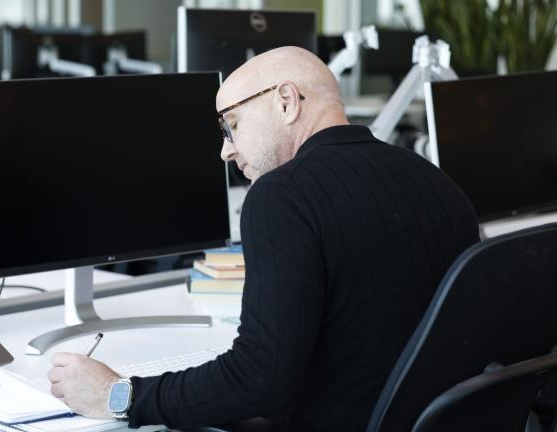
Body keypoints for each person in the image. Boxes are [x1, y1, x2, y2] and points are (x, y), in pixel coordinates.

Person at [46, 46, 480, 431]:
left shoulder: (282, 194)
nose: (226, 150)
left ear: (286, 101)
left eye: (230, 124)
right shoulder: (438, 182)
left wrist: (119, 395)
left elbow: (260, 381)